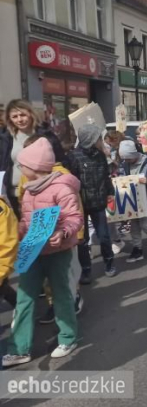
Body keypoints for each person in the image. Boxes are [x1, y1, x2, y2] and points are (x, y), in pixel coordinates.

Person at [3, 138, 82, 367]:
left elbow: (74, 218)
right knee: (24, 299)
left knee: (61, 295)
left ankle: (68, 338)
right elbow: (26, 221)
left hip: (58, 252)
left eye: (22, 166)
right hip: (32, 252)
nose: (20, 170)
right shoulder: (28, 191)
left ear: (34, 167)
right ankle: (19, 349)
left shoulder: (61, 188)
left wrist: (64, 233)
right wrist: (17, 232)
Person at [69, 124, 115, 279]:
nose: (100, 141)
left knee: (104, 236)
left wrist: (110, 192)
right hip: (80, 203)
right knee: (82, 239)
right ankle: (86, 270)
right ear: (89, 139)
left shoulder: (100, 155)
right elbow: (70, 181)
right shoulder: (74, 156)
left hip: (99, 202)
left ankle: (109, 263)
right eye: (97, 138)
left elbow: (106, 176)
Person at [118, 140, 147, 263]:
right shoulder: (124, 164)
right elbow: (120, 178)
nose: (126, 161)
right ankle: (137, 249)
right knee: (134, 225)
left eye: (128, 159)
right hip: (131, 198)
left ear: (134, 155)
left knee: (145, 223)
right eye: (125, 159)